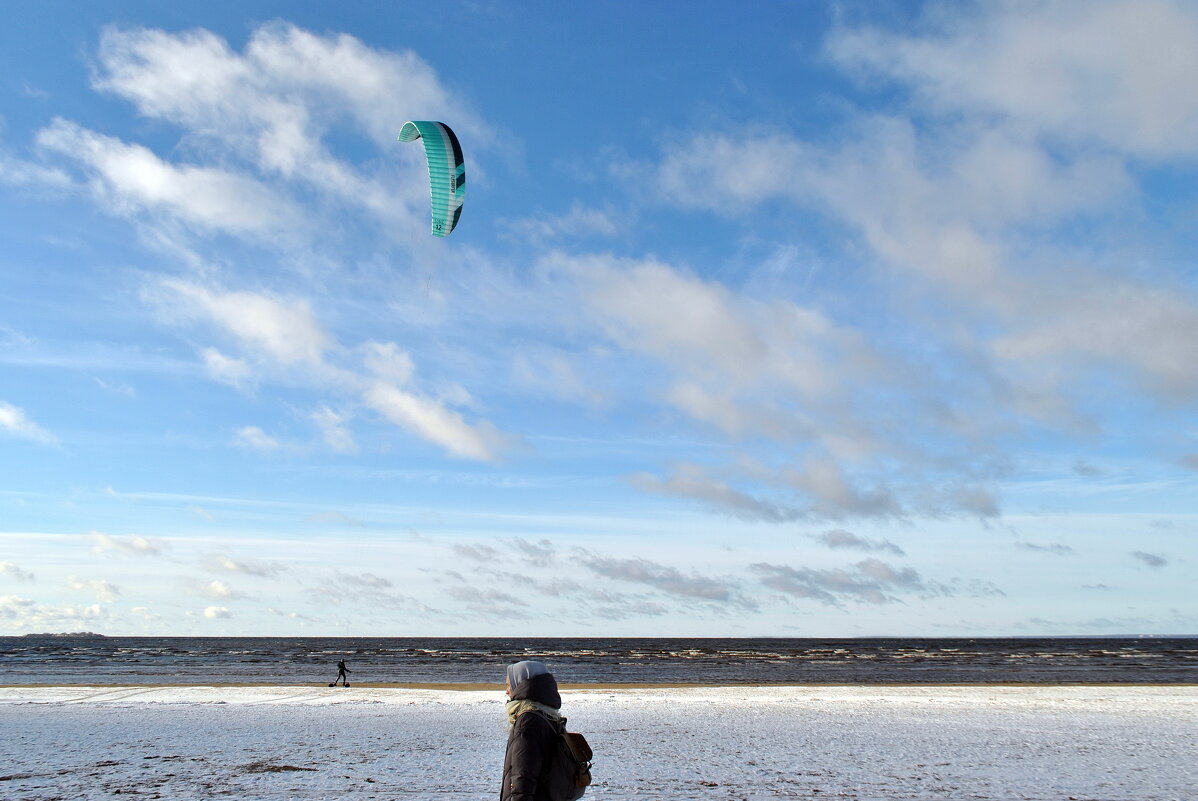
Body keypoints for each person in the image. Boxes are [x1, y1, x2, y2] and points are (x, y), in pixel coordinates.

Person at [501, 660, 563, 801]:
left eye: (509, 685)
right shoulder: (549, 716)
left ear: (521, 685)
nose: (506, 691)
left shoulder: (527, 723)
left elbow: (523, 778)